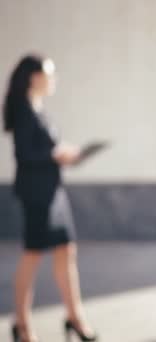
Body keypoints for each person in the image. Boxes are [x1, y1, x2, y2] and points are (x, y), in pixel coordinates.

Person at [3, 55, 97, 342]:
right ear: (33, 76)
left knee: (66, 251)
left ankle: (74, 317)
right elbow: (24, 156)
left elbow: (44, 148)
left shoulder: (38, 108)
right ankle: (22, 324)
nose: (54, 79)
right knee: (32, 255)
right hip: (37, 195)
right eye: (50, 73)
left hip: (53, 191)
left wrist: (63, 152)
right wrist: (56, 155)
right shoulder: (23, 110)